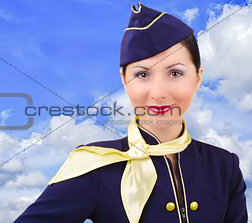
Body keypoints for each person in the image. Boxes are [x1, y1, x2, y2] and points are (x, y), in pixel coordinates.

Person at [14, 2, 248, 223]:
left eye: (175, 73)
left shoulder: (224, 166)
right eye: (142, 75)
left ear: (197, 78)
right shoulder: (96, 165)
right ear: (124, 81)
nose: (158, 93)